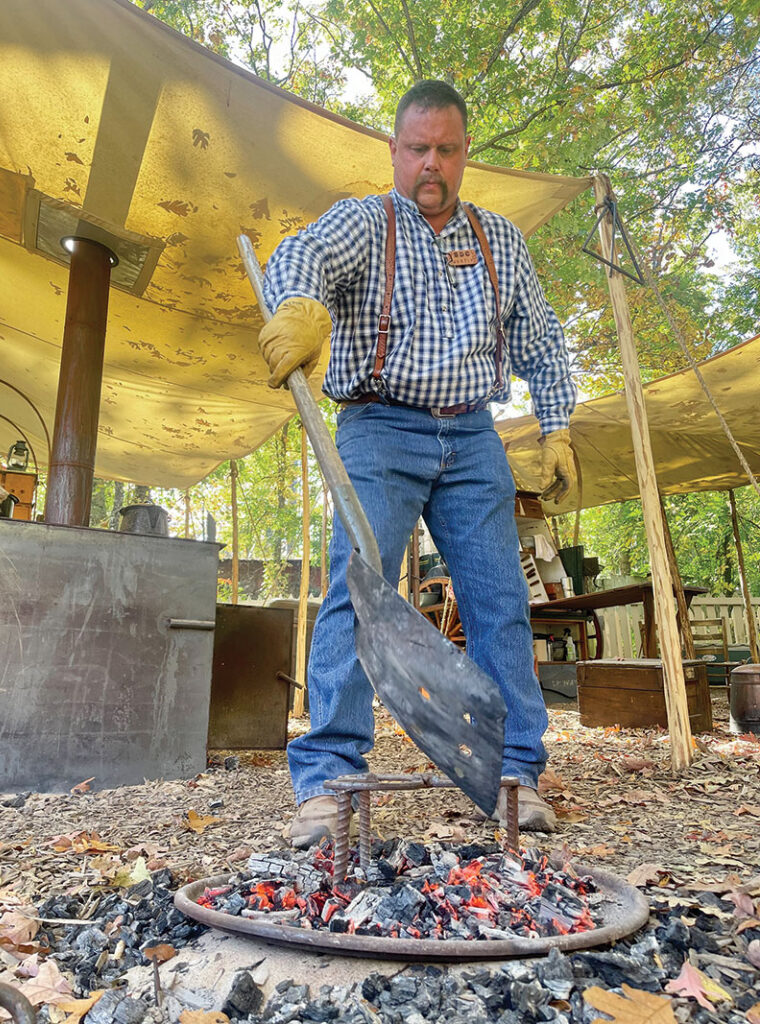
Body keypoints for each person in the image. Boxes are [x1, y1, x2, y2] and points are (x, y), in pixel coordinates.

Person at [258, 80, 577, 848]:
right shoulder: (367, 224)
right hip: (378, 425)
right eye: (417, 149)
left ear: (465, 153)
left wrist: (559, 426)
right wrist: (301, 305)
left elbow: (542, 338)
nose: (430, 165)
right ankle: (331, 780)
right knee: (354, 586)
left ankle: (512, 773)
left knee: (499, 601)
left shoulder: (501, 243)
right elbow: (299, 255)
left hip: (472, 435)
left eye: (446, 149)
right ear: (394, 150)